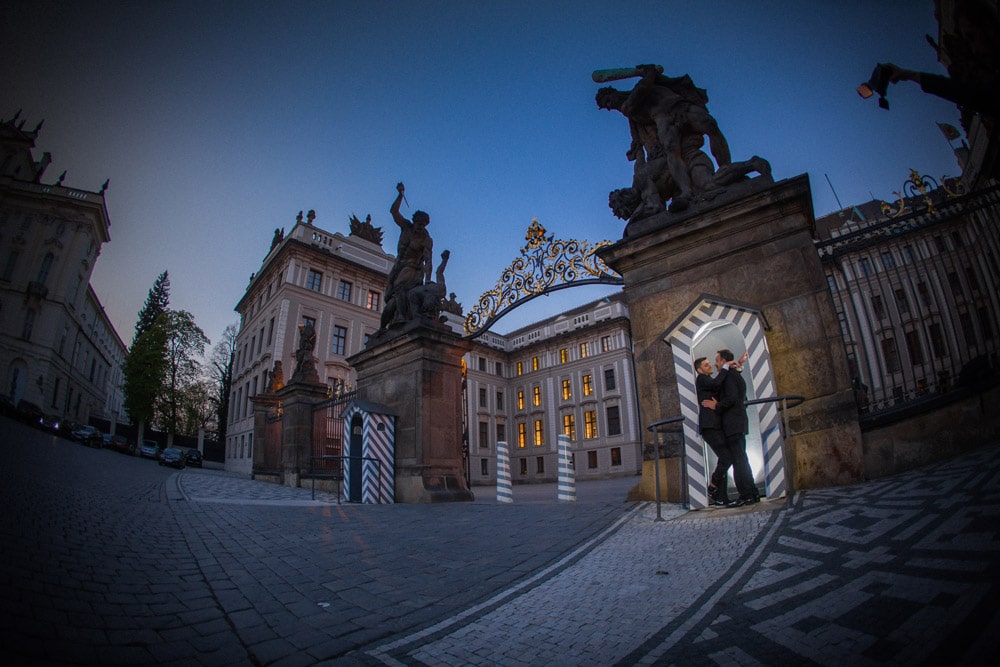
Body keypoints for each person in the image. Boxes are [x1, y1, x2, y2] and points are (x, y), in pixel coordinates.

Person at [701, 349, 758, 506]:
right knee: (741, 460)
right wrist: (738, 365)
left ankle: (747, 495)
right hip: (736, 423)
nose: (715, 363)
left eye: (717, 360)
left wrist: (717, 405)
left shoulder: (729, 377)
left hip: (733, 424)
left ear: (724, 361)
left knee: (739, 461)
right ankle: (751, 493)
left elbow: (732, 398)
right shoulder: (734, 375)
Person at [381, 182, 433, 328]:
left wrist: (428, 280)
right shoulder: (406, 227)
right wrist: (400, 195)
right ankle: (397, 316)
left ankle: (402, 317)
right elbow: (394, 212)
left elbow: (428, 260)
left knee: (400, 286)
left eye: (422, 225)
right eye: (418, 223)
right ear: (414, 221)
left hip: (413, 267)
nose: (419, 227)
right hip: (399, 265)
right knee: (389, 294)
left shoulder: (426, 239)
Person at [695, 356, 732, 505]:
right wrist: (725, 368)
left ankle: (721, 497)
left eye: (709, 363)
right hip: (709, 425)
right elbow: (717, 383)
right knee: (726, 457)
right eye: (706, 365)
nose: (709, 366)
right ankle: (713, 486)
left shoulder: (705, 380)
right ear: (699, 369)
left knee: (724, 458)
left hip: (714, 424)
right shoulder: (702, 379)